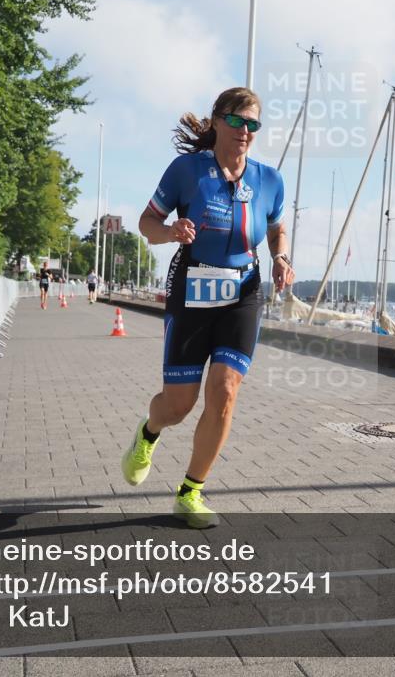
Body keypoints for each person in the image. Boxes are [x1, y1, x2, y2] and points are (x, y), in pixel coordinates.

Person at [122, 87, 294, 529]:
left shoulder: (269, 180)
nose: (245, 132)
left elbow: (276, 228)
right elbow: (146, 224)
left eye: (253, 125)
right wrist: (170, 231)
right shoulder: (187, 171)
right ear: (217, 121)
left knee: (225, 391)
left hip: (243, 292)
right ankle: (149, 431)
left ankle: (190, 492)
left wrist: (280, 257)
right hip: (192, 288)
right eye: (237, 122)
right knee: (179, 405)